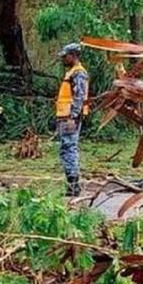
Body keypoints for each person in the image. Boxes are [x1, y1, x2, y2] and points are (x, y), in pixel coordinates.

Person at [55, 43, 89, 197]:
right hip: (65, 116)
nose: (63, 58)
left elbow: (79, 96)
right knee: (66, 148)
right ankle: (71, 184)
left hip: (70, 118)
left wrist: (73, 116)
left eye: (65, 56)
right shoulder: (72, 73)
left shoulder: (78, 73)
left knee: (69, 148)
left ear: (73, 55)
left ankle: (73, 186)